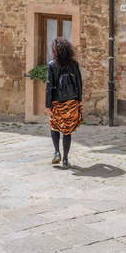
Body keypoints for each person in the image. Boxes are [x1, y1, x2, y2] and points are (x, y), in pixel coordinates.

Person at [45, 36, 83, 169]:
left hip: (56, 102)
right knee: (67, 130)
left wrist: (48, 105)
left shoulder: (52, 65)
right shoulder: (74, 64)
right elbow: (79, 82)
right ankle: (66, 159)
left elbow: (49, 86)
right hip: (71, 101)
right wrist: (79, 99)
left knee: (54, 127)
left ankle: (57, 153)